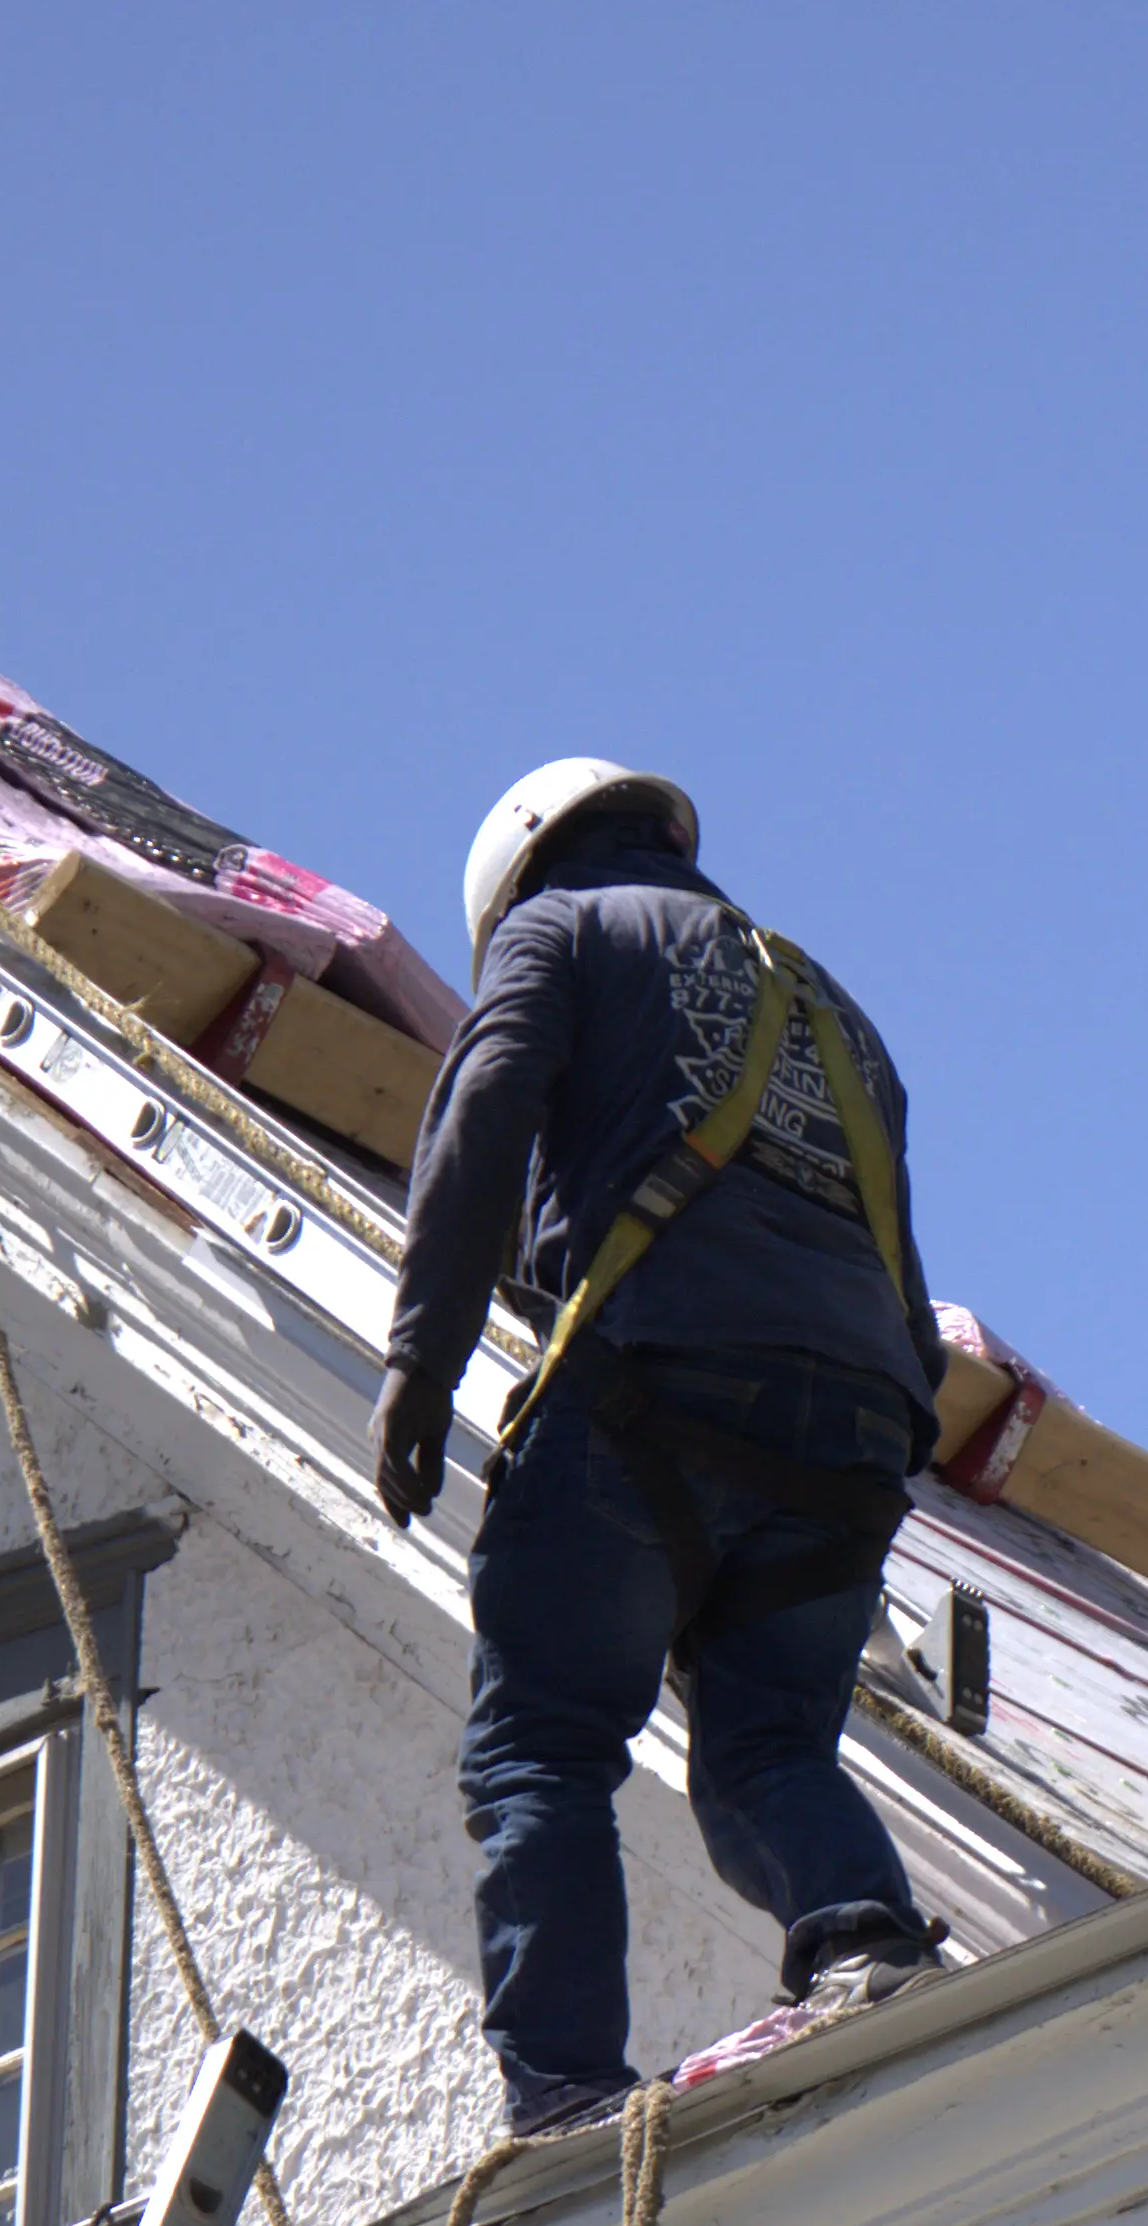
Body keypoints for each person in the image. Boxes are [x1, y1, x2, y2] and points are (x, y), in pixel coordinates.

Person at [373, 755, 949, 2138]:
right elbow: (893, 1262)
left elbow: (485, 1111)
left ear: (517, 875)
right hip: (857, 1429)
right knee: (767, 1747)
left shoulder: (559, 927)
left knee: (542, 1744)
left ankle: (564, 2088)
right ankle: (865, 1941)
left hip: (652, 1385)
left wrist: (421, 1361)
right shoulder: (831, 1003)